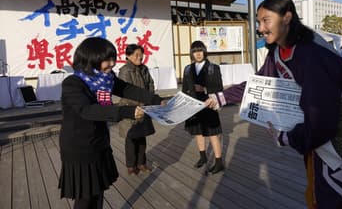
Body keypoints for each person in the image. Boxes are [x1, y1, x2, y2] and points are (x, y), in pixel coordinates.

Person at [206, 0, 342, 208]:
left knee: (338, 198)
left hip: (339, 142)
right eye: (258, 22)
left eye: (266, 20)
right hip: (319, 142)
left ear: (287, 18)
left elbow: (320, 121)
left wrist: (287, 137)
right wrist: (221, 97)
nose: (261, 28)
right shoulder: (279, 53)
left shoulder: (311, 54)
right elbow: (259, 84)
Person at [58, 37, 163, 209]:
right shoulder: (73, 83)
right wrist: (126, 112)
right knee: (85, 198)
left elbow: (127, 89)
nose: (112, 64)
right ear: (91, 58)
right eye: (108, 60)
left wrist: (155, 99)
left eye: (113, 59)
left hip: (99, 142)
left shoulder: (107, 78)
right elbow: (88, 110)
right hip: (79, 147)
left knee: (98, 191)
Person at [183, 40, 224, 174]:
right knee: (198, 132)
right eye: (195, 51)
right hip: (194, 105)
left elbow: (219, 88)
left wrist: (205, 88)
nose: (198, 54)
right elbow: (184, 89)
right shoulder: (188, 69)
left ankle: (219, 162)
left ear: (204, 51)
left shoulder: (213, 67)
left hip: (209, 104)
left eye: (200, 50)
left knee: (212, 134)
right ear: (192, 53)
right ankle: (203, 157)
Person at [118, 44, 155, 175]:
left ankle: (141, 163)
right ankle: (131, 165)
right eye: (136, 55)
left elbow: (150, 84)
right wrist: (137, 106)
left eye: (141, 55)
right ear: (128, 56)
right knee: (131, 138)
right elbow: (124, 91)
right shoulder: (124, 70)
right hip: (130, 109)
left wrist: (149, 99)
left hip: (144, 107)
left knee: (142, 137)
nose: (139, 57)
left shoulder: (144, 68)